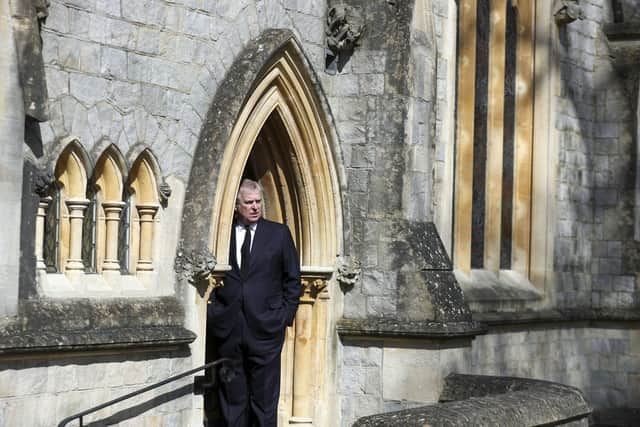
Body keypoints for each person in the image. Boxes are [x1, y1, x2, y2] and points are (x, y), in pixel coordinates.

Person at [208, 178, 302, 427]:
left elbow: (293, 280)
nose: (254, 207)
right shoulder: (221, 235)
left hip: (266, 332)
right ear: (236, 206)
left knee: (264, 403)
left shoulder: (278, 234)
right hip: (228, 331)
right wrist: (214, 314)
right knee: (231, 402)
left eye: (258, 202)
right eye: (248, 202)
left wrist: (283, 317)